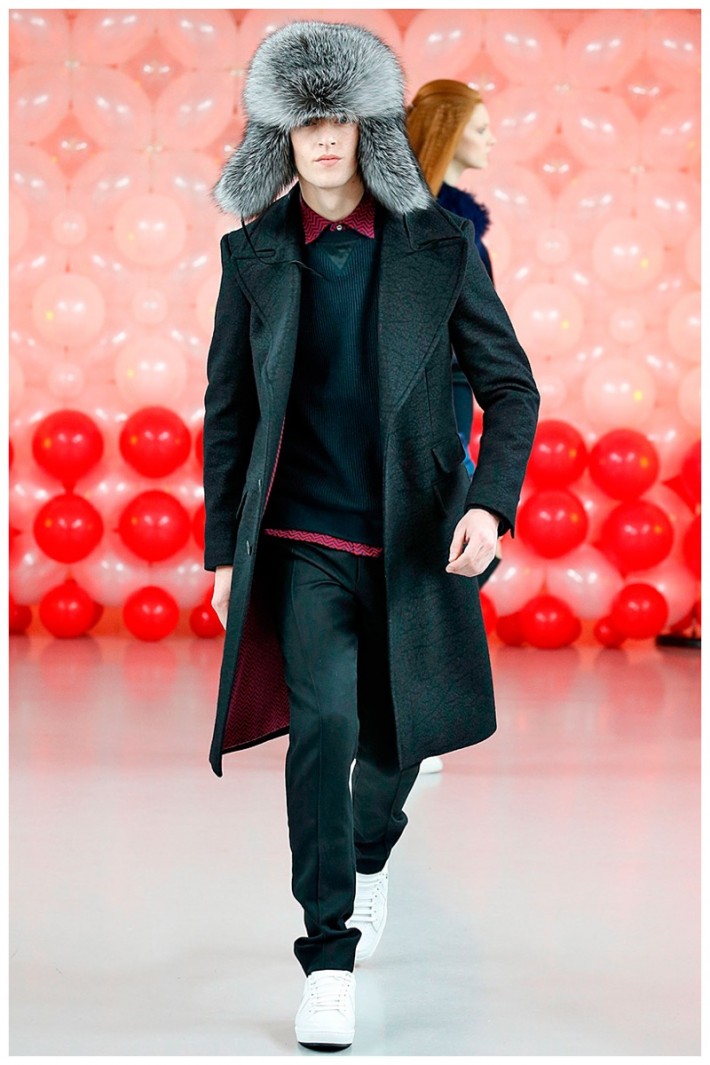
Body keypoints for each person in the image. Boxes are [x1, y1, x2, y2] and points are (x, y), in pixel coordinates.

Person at [203, 20, 540, 1053]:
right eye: (303, 123)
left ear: (368, 131)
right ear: (281, 136)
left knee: (399, 737)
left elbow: (510, 388)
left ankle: (367, 853)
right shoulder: (252, 255)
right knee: (325, 729)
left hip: (415, 537)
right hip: (300, 541)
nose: (322, 139)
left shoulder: (438, 246)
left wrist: (488, 503)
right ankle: (327, 956)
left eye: (339, 120)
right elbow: (227, 411)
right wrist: (223, 553)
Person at [407, 79, 501, 775]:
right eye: (481, 127)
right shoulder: (409, 220)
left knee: (451, 556)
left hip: (455, 403)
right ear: (448, 129)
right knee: (430, 560)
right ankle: (395, 718)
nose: (492, 140)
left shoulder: (462, 227)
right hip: (411, 410)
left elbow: (483, 336)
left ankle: (402, 715)